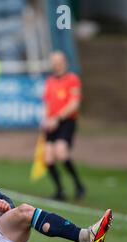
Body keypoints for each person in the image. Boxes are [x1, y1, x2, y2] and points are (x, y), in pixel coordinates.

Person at [41, 51, 85, 201]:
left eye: (58, 61)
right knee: (47, 159)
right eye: (53, 61)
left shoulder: (72, 79)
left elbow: (74, 104)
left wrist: (57, 119)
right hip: (51, 122)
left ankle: (78, 185)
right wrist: (46, 119)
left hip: (66, 122)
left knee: (60, 153)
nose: (55, 64)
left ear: (64, 62)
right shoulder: (50, 81)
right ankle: (60, 190)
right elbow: (47, 103)